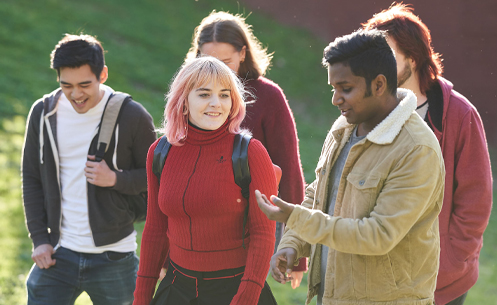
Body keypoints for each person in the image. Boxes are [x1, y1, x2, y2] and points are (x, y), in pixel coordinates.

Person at [255, 29, 445, 305]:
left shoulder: (417, 149)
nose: (335, 99)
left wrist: (295, 218)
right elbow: (318, 195)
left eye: (345, 89)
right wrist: (292, 244)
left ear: (379, 85)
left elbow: (378, 236)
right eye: (333, 89)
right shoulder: (344, 127)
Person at [363, 4, 493, 305]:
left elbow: (476, 200)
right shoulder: (367, 109)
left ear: (413, 57)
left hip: (440, 281)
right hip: (375, 275)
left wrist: (449, 261)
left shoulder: (459, 115)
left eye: (387, 56)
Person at [21, 34, 156, 305]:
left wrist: (115, 179)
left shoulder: (132, 116)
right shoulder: (44, 113)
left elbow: (157, 178)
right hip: (59, 253)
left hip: (114, 256)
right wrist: (39, 239)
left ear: (102, 74)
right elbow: (32, 178)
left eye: (85, 84)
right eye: (66, 85)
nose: (76, 94)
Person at [132, 56, 278, 305]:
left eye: (224, 95)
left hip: (236, 289)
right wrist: (142, 298)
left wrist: (245, 300)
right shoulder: (159, 152)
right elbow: (155, 230)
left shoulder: (251, 153)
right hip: (176, 287)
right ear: (184, 101)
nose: (216, 104)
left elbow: (263, 235)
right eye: (204, 94)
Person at [180, 10, 308, 287]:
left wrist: (298, 253)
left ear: (242, 53)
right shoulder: (189, 94)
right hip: (197, 216)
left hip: (253, 222)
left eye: (225, 61)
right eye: (207, 61)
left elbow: (290, 170)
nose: (217, 71)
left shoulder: (269, 96)